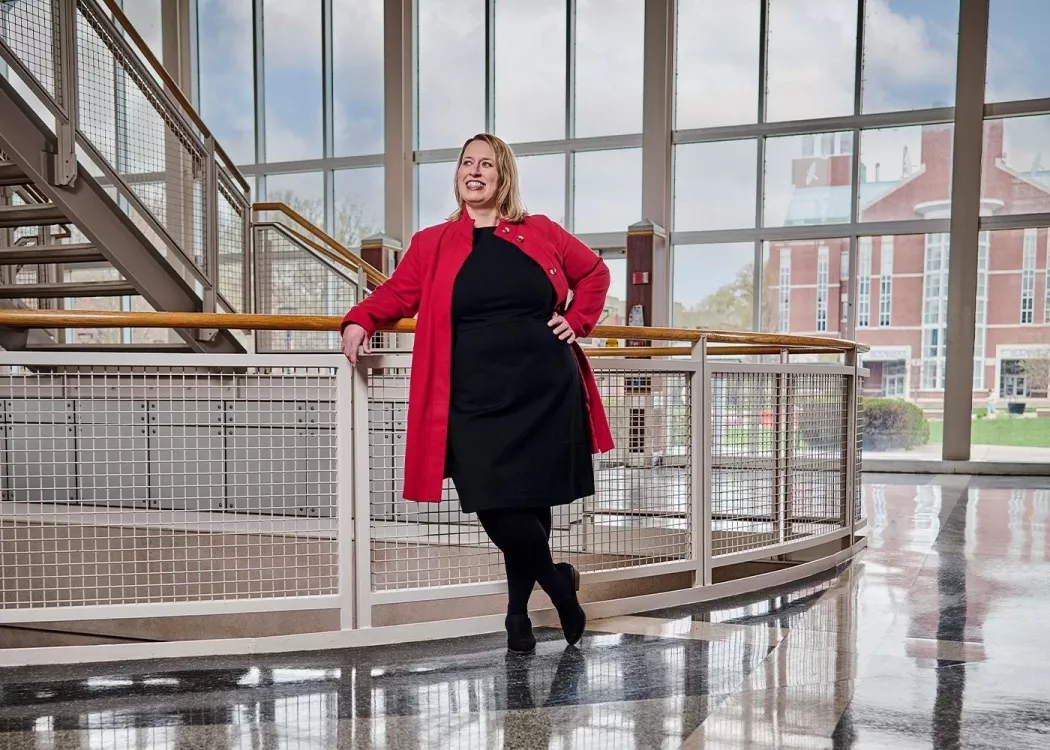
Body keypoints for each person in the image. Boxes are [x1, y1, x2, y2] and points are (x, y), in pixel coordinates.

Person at [340, 133, 614, 654]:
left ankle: (517, 619)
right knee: (493, 501)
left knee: (529, 503)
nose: (476, 170)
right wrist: (359, 320)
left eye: (487, 164)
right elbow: (398, 293)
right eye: (468, 162)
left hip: (542, 388)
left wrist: (578, 320)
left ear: (502, 176)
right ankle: (559, 585)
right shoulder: (432, 242)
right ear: (458, 174)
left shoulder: (541, 231)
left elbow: (595, 273)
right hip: (470, 396)